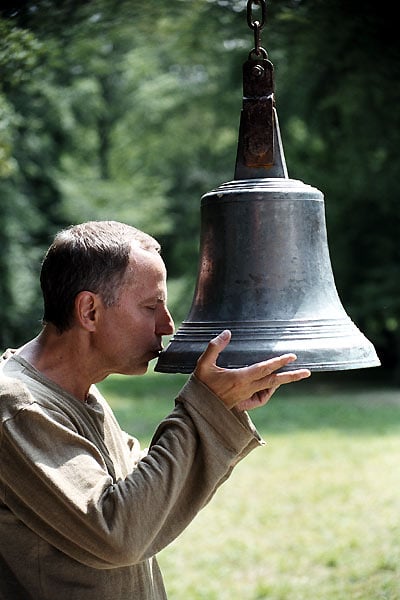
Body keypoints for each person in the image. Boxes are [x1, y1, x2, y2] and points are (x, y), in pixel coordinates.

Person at [0, 220, 310, 600]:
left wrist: (221, 409)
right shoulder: (16, 405)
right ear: (90, 311)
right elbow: (116, 534)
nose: (167, 325)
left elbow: (150, 503)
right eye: (151, 307)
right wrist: (203, 409)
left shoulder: (81, 395)